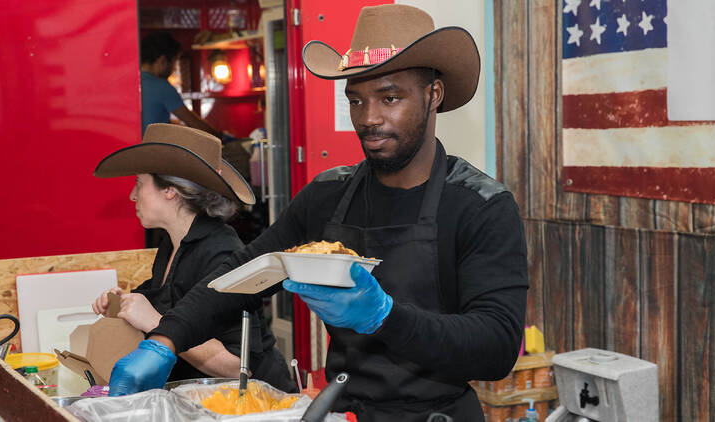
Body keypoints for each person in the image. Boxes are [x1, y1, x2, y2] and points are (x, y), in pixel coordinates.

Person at [109, 5, 528, 420]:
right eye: (357, 101)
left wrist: (385, 317)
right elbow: (240, 276)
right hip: (343, 412)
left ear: (433, 95)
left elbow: (496, 348)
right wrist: (165, 339)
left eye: (390, 98)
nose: (369, 119)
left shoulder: (480, 205)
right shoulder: (329, 195)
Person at [92, 123, 296, 392]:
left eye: (139, 183)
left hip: (255, 403)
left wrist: (156, 323)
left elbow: (238, 365)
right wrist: (124, 304)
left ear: (170, 190)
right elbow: (172, 304)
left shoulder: (221, 252)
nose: (132, 195)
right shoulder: (173, 244)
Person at [140, 32, 234, 140]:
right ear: (163, 61)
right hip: (151, 152)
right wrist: (222, 138)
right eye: (174, 62)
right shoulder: (162, 87)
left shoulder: (134, 82)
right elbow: (194, 123)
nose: (174, 69)